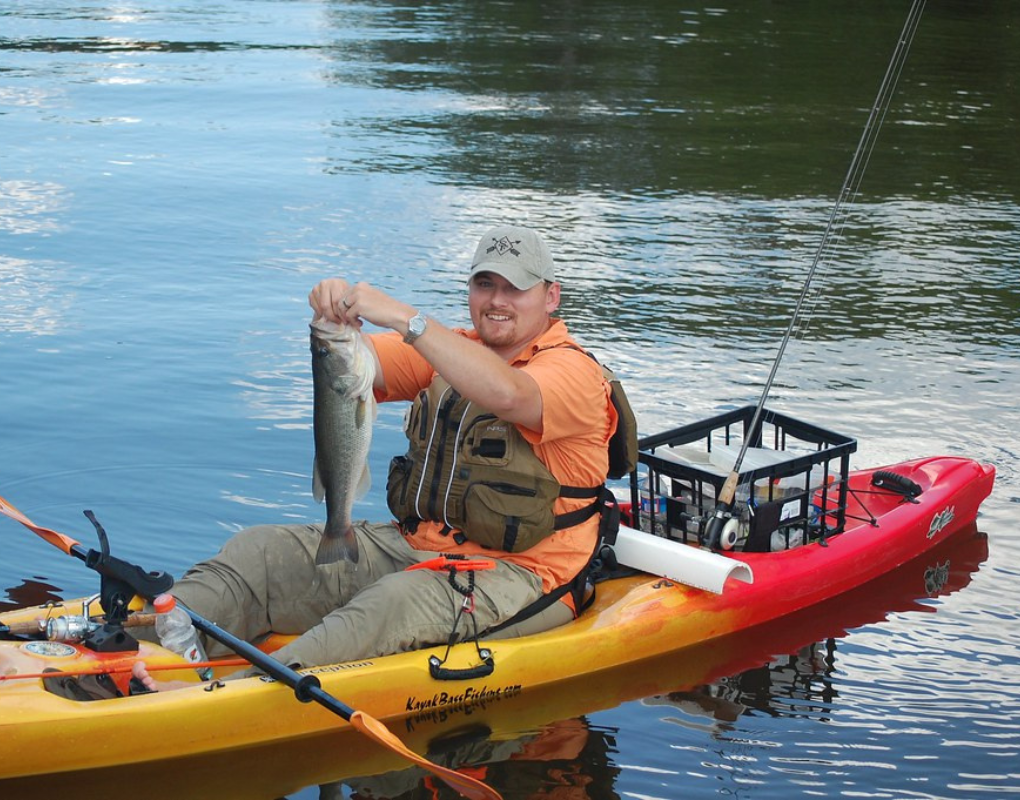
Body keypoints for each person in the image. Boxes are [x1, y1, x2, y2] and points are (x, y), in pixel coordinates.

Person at [135, 224, 617, 685]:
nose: (496, 300)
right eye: (484, 284)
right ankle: (132, 646)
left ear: (550, 296)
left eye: (515, 288)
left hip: (525, 574)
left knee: (391, 602)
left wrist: (406, 318)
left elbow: (511, 395)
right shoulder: (453, 350)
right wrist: (333, 316)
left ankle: (227, 693)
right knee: (258, 551)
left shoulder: (573, 372)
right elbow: (351, 362)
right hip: (420, 547)